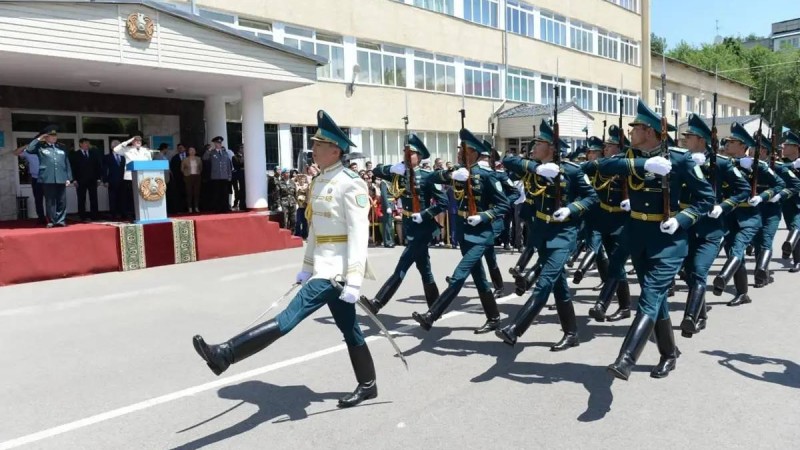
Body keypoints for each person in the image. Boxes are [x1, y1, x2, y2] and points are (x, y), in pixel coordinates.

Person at [193, 110, 377, 408]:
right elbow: (316, 231)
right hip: (322, 267)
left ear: (335, 150)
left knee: (287, 318)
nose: (313, 149)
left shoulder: (351, 182)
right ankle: (368, 384)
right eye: (314, 144)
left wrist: (354, 279)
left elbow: (358, 233)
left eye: (318, 145)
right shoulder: (319, 181)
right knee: (350, 328)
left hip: (337, 273)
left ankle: (226, 354)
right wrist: (306, 267)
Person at [597, 99, 714, 380]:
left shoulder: (680, 159)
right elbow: (601, 166)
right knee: (657, 301)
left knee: (649, 298)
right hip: (638, 238)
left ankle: (626, 359)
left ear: (649, 131)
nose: (630, 132)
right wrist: (644, 163)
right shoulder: (632, 158)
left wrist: (681, 219)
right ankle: (669, 353)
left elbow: (706, 199)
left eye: (635, 127)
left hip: (668, 243)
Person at [497, 120, 598, 350]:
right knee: (559, 286)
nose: (533, 147)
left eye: (539, 143)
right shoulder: (533, 166)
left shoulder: (571, 170)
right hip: (541, 232)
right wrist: (536, 168)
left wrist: (571, 209)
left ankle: (515, 329)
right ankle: (571, 334)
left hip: (563, 234)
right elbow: (507, 160)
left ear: (551, 148)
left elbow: (591, 197)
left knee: (545, 282)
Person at [411, 128, 509, 333]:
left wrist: (483, 216)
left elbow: (503, 205)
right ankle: (494, 318)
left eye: (463, 150)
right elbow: (431, 179)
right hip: (464, 231)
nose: (459, 154)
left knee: (459, 274)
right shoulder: (458, 173)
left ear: (474, 153)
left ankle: (431, 315)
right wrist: (450, 174)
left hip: (481, 234)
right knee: (479, 278)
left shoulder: (487, 175)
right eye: (459, 150)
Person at [677, 114, 749, 338]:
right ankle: (701, 314)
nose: (685, 140)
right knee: (687, 271)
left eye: (689, 137)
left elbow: (744, 189)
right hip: (685, 226)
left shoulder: (721, 163)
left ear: (701, 139)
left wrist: (723, 206)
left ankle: (690, 317)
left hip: (710, 228)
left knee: (699, 271)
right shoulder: (680, 160)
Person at [361, 134, 447, 313]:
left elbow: (443, 202)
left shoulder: (428, 176)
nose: (406, 156)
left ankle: (378, 302)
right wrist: (392, 168)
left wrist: (424, 214)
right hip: (409, 224)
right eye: (405, 153)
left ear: (419, 157)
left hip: (423, 227)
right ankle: (436, 308)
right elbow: (376, 171)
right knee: (424, 268)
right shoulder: (400, 173)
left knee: (403, 264)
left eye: (411, 153)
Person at [713, 123, 781, 306]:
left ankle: (723, 276)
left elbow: (779, 184)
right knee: (734, 254)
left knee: (737, 248)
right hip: (728, 216)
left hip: (749, 217)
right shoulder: (723, 163)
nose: (727, 144)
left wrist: (762, 197)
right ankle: (742, 293)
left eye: (732, 142)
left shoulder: (756, 165)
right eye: (727, 141)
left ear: (743, 146)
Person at [582, 128, 632, 322]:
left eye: (610, 146)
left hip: (623, 222)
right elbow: (585, 168)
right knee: (615, 264)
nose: (606, 149)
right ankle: (625, 306)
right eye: (606, 146)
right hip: (605, 220)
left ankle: (602, 305)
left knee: (617, 264)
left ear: (620, 148)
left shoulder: (629, 165)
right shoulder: (602, 166)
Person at [24, 126, 73, 227]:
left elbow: (66, 162)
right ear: (46, 137)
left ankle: (61, 220)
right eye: (51, 135)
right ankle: (51, 221)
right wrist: (39, 139)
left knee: (61, 200)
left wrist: (68, 177)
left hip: (61, 177)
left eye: (55, 135)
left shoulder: (62, 147)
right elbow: (29, 149)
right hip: (47, 178)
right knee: (50, 201)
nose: (54, 137)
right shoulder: (40, 147)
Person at [113, 133, 153, 220]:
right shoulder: (127, 149)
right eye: (136, 140)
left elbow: (150, 162)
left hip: (143, 177)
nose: (138, 141)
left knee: (143, 196)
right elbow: (116, 149)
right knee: (131, 198)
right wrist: (129, 141)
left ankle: (143, 214)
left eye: (140, 140)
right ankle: (131, 215)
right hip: (130, 177)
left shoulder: (145, 150)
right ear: (132, 141)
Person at [779, 130, 800, 271]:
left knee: (796, 226)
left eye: (787, 145)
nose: (783, 147)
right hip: (788, 201)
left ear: (795, 147)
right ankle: (796, 257)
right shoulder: (783, 163)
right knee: (793, 227)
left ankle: (797, 260)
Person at [70, 138, 103, 221]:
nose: (87, 145)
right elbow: (72, 168)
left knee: (94, 198)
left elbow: (98, 166)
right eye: (85, 143)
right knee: (81, 198)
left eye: (88, 143)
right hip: (80, 180)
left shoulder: (93, 154)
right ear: (80, 144)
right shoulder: (75, 154)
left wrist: (99, 178)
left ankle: (94, 216)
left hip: (92, 180)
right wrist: (73, 179)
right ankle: (82, 216)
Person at [13, 144, 46, 224]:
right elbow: (15, 153)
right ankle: (41, 219)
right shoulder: (29, 152)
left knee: (51, 199)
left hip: (47, 178)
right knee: (38, 199)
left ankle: (53, 218)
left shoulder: (46, 151)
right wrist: (26, 145)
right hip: (36, 178)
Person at [203, 136, 233, 213]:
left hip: (224, 176)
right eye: (217, 143)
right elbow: (204, 158)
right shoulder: (212, 153)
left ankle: (225, 207)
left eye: (220, 143)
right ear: (214, 143)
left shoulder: (225, 153)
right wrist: (208, 150)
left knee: (225, 193)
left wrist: (229, 175)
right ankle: (217, 208)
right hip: (215, 176)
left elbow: (228, 165)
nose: (219, 144)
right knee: (216, 193)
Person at [103, 141, 127, 220]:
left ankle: (123, 213)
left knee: (123, 198)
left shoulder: (123, 157)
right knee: (112, 198)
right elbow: (104, 170)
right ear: (112, 147)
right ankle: (113, 214)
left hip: (123, 181)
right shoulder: (107, 157)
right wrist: (105, 181)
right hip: (112, 181)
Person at [181, 147, 203, 213]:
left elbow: (201, 168)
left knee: (197, 192)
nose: (192, 151)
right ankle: (190, 207)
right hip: (188, 177)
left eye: (193, 150)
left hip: (197, 176)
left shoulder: (198, 159)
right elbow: (182, 169)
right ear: (188, 152)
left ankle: (196, 207)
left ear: (195, 151)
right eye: (191, 150)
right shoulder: (185, 159)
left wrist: (198, 173)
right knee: (189, 192)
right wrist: (186, 174)